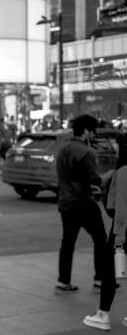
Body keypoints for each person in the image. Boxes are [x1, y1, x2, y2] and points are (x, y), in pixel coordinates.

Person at [55, 114, 115, 295]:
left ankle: (63, 281)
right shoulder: (86, 152)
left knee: (67, 243)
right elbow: (95, 179)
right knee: (101, 240)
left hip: (66, 203)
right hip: (83, 203)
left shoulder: (63, 150)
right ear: (87, 131)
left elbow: (72, 177)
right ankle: (100, 279)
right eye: (93, 131)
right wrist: (110, 174)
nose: (93, 135)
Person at [83, 136, 127, 330]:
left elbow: (116, 209)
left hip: (123, 231)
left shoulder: (123, 173)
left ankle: (103, 315)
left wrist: (119, 237)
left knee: (109, 272)